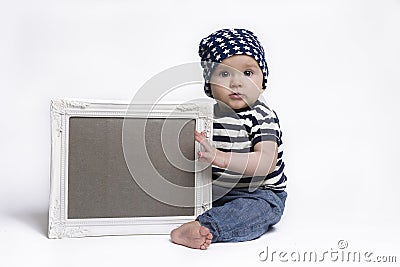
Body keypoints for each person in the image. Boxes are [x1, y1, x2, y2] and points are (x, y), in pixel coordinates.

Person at [170, 28, 287, 250]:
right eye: (224, 74)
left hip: (259, 193)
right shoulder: (205, 115)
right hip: (213, 192)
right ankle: (171, 217)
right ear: (209, 84)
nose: (236, 82)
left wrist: (221, 158)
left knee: (254, 212)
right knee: (182, 193)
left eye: (248, 73)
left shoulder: (261, 116)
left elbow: (265, 162)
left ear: (263, 81)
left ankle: (207, 227)